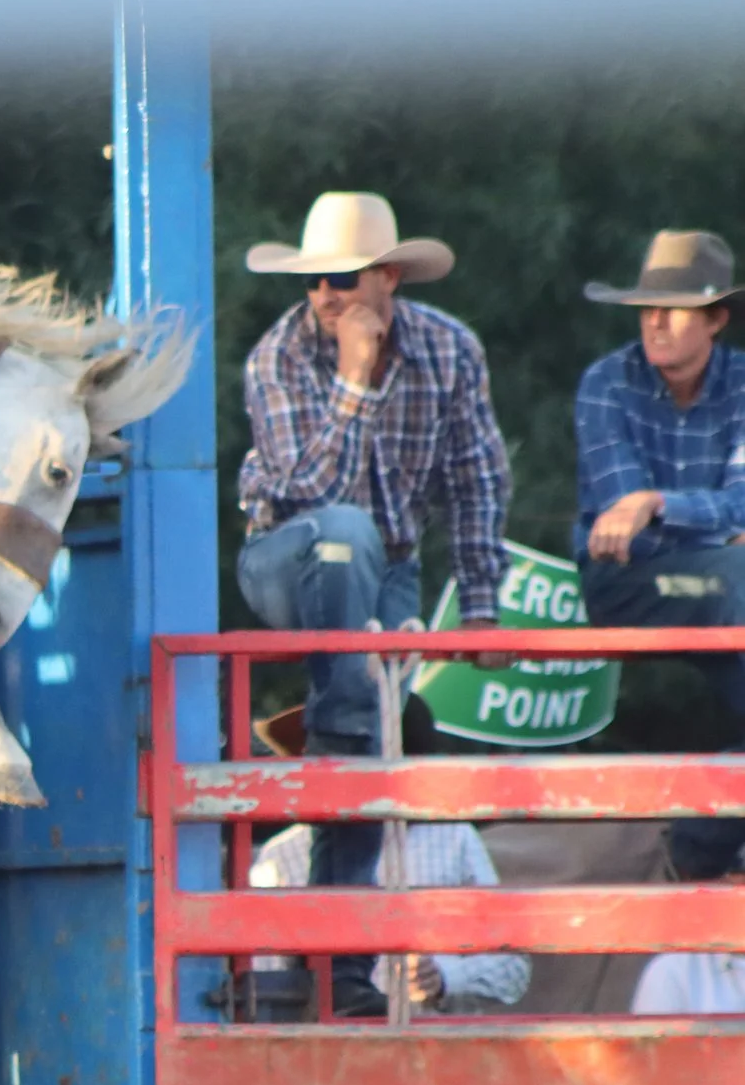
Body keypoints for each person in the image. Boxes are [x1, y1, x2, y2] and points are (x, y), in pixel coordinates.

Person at [236, 192, 513, 1015]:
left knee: (363, 742)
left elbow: (477, 481)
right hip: (283, 557)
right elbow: (304, 495)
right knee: (344, 534)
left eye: (342, 277)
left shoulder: (450, 350)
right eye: (314, 278)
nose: (324, 293)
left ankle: (348, 970)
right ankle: (344, 722)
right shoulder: (277, 356)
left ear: (387, 276)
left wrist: (486, 608)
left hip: (390, 566)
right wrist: (355, 380)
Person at [573, 230, 745, 882]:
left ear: (715, 319)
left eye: (672, 307)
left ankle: (697, 847)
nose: (654, 320)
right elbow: (623, 537)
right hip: (630, 586)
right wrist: (706, 524)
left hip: (726, 592)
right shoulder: (605, 384)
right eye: (646, 305)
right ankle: (699, 846)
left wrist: (656, 501)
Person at [247, 700, 530, 1015]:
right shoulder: (282, 855)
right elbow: (263, 975)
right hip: (325, 1046)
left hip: (429, 1045)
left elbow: (512, 967)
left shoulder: (452, 837)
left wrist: (445, 977)